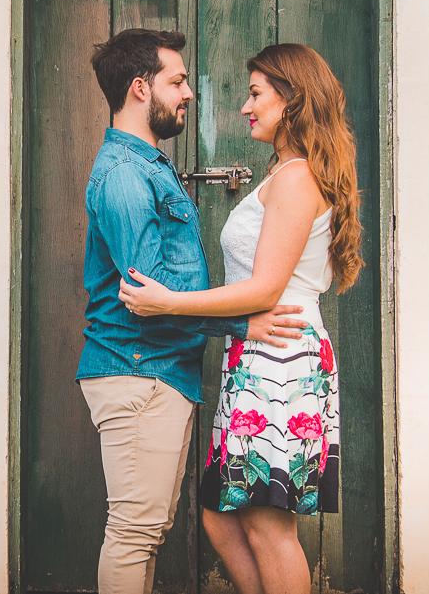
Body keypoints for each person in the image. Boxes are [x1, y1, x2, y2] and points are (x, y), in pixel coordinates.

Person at [119, 43, 363, 594]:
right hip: (257, 356)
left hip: (281, 359)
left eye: (256, 94)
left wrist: (170, 302)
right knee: (222, 518)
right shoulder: (287, 173)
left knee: (266, 526)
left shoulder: (297, 178)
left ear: (292, 99)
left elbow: (265, 288)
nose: (246, 107)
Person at [77, 28, 309, 594]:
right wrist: (241, 323)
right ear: (140, 88)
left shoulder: (150, 166)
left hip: (160, 371)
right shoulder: (127, 175)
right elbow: (148, 295)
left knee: (146, 529)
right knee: (135, 531)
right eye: (177, 81)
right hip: (138, 369)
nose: (188, 93)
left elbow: (163, 296)